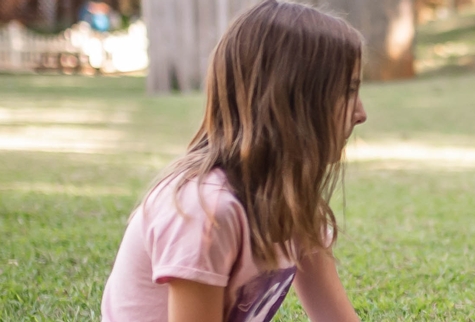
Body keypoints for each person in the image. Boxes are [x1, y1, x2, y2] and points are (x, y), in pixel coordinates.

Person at [100, 1, 367, 321]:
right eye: (347, 92)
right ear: (293, 102)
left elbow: (334, 317)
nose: (361, 113)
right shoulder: (206, 211)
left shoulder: (294, 205)